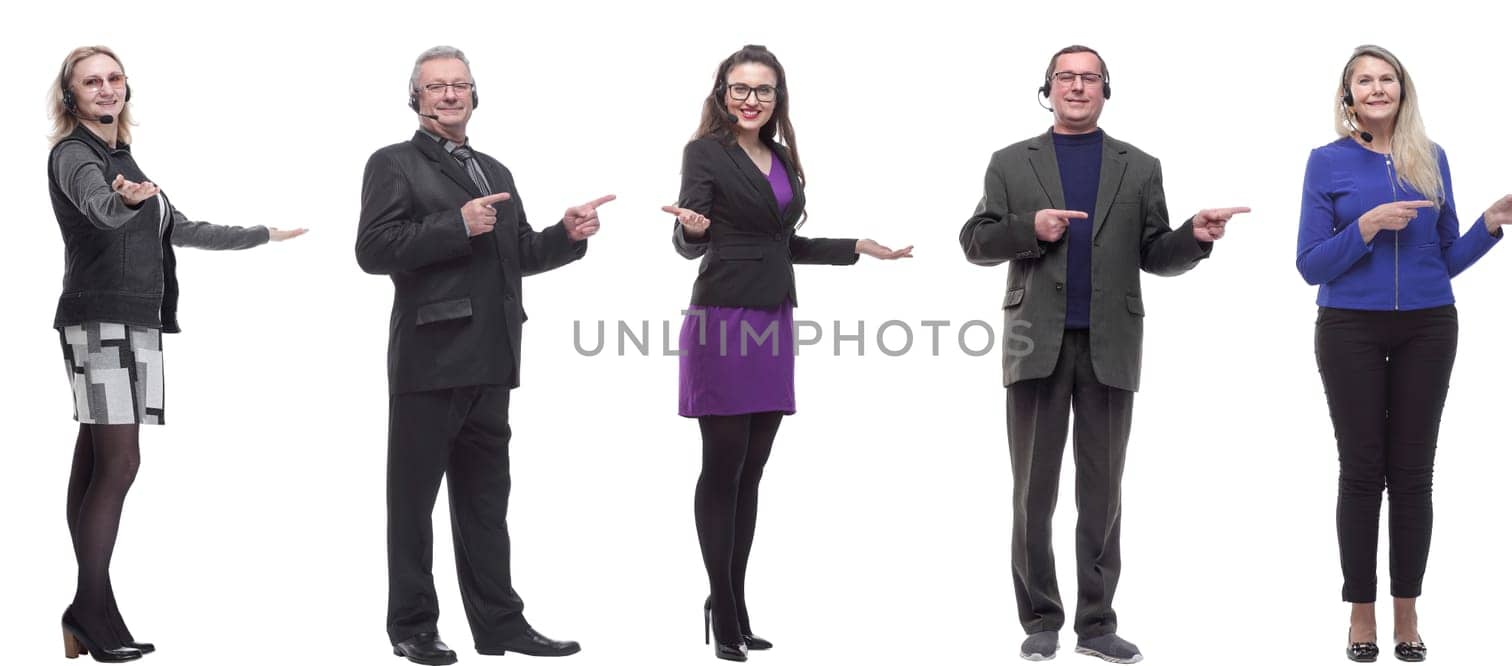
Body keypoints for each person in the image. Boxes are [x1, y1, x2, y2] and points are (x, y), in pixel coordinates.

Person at [959, 45, 1250, 664]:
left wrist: (1193, 238)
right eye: (1066, 77)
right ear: (1048, 89)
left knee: (1103, 490)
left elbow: (1155, 253)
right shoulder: (1010, 162)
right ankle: (1040, 617)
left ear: (1105, 91)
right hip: (1035, 343)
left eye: (1090, 78)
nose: (1078, 86)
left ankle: (1095, 623)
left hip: (1110, 345)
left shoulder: (1140, 166)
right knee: (1032, 491)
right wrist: (1027, 231)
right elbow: (975, 242)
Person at [47, 45, 306, 663]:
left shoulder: (123, 156)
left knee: (96, 460)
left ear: (125, 88)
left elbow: (179, 228)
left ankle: (96, 606)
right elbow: (100, 208)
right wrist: (125, 201)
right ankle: (89, 606)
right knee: (120, 463)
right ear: (72, 95)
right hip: (100, 321)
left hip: (135, 322)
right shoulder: (75, 156)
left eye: (114, 78)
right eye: (92, 82)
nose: (106, 89)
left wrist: (262, 235)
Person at [1296, 44, 1512, 664]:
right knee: (1362, 471)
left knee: (1413, 474)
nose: (1378, 88)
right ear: (1347, 95)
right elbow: (1309, 266)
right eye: (1366, 80)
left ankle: (1407, 612)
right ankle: (1362, 614)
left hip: (1429, 327)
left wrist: (1488, 225)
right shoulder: (1326, 163)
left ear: (1402, 91)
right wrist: (1364, 228)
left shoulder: (1429, 158)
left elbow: (1444, 260)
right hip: (1349, 327)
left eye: (1388, 79)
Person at [356, 45, 609, 666]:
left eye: (460, 85)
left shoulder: (494, 169)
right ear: (414, 97)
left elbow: (516, 253)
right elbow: (373, 249)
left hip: (493, 359)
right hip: (430, 360)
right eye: (436, 86)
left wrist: (565, 237)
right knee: (413, 505)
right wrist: (454, 224)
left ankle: (499, 625)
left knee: (486, 504)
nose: (449, 95)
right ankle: (413, 626)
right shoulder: (392, 164)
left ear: (474, 94)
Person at [661, 44, 912, 662]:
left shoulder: (779, 158)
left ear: (778, 98)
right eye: (740, 89)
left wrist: (856, 245)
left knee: (752, 471)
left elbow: (779, 243)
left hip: (772, 320)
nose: (751, 100)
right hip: (722, 319)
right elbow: (692, 234)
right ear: (722, 94)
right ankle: (722, 610)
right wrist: (690, 229)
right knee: (722, 469)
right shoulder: (705, 153)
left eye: (763, 90)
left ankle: (736, 606)